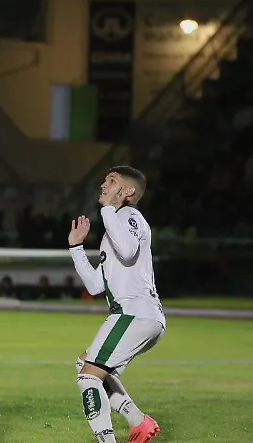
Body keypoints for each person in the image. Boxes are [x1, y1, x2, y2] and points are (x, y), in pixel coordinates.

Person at [68, 166, 165, 443]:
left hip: (135, 313)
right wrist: (76, 248)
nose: (103, 185)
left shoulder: (129, 216)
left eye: (111, 182)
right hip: (138, 315)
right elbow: (96, 285)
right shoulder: (116, 224)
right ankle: (138, 421)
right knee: (85, 364)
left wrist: (109, 210)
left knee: (88, 378)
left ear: (128, 191)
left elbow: (128, 249)